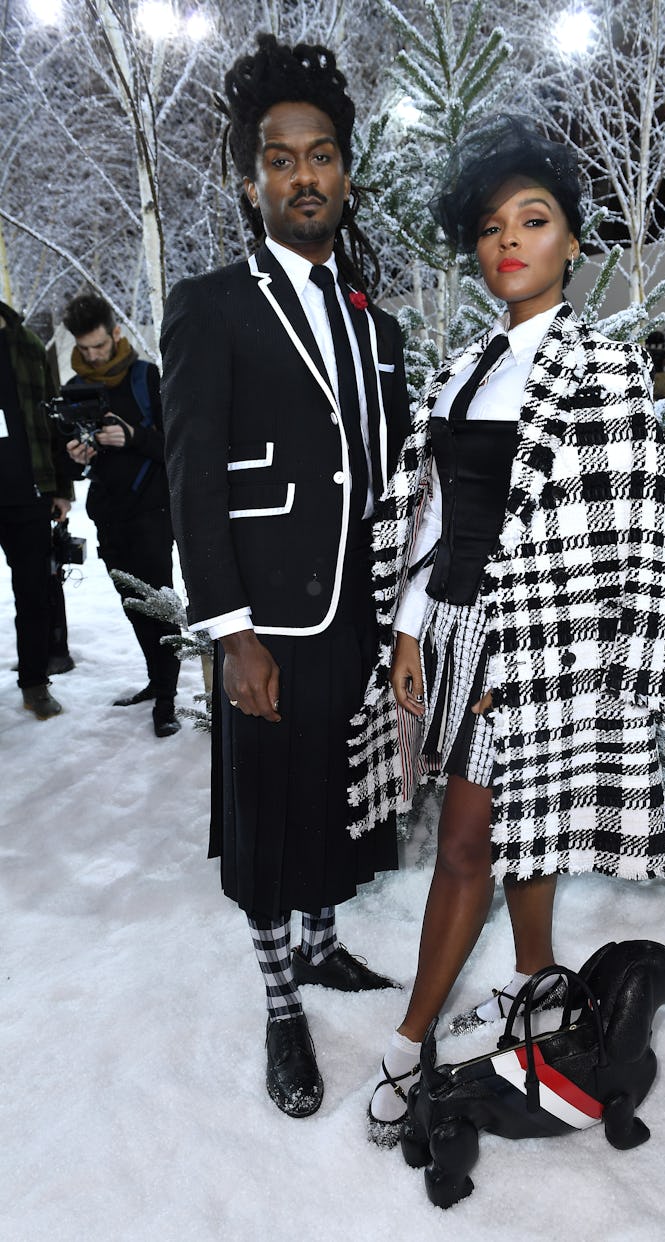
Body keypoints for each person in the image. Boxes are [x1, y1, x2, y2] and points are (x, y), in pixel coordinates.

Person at [352, 114, 665, 1144]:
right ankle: (538, 980)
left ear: (573, 242)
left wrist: (600, 666)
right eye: (495, 224)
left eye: (534, 220)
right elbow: (437, 519)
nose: (511, 240)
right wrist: (410, 630)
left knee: (466, 844)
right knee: (520, 821)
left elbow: (644, 530)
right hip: (451, 630)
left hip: (536, 640)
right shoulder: (466, 368)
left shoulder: (605, 369)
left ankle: (411, 1039)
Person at [160, 36, 410, 1119]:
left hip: (357, 614)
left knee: (334, 805)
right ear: (252, 176)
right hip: (268, 622)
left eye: (320, 156)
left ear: (346, 170)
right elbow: (190, 481)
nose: (302, 176)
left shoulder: (376, 322)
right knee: (267, 818)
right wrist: (230, 632)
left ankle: (321, 946)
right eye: (279, 159)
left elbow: (396, 472)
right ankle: (279, 1004)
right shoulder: (211, 304)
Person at [62, 293, 180, 737]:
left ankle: (167, 701)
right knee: (133, 608)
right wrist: (75, 455)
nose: (92, 355)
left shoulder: (145, 378)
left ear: (115, 333)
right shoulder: (73, 389)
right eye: (85, 348)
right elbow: (70, 463)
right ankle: (156, 680)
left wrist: (131, 437)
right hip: (109, 516)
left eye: (98, 345)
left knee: (159, 604)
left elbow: (175, 443)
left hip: (152, 511)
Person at [0, 300, 73, 718]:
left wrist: (61, 487)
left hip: (27, 494)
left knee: (33, 594)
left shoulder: (26, 345)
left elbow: (53, 416)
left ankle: (34, 684)